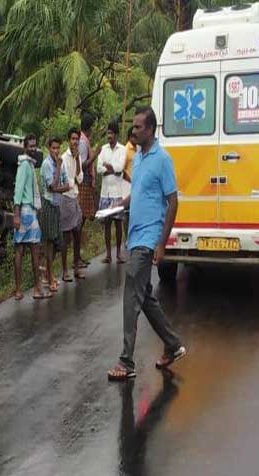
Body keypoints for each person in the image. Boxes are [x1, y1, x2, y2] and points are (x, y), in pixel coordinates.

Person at [108, 107, 187, 381]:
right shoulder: (139, 158)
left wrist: (162, 243)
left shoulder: (162, 159)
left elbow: (173, 201)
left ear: (151, 129)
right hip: (135, 235)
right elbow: (139, 190)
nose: (133, 131)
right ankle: (173, 345)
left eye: (139, 127)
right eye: (133, 126)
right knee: (147, 298)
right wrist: (121, 204)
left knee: (132, 295)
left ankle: (126, 361)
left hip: (148, 238)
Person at [13, 135, 50, 300]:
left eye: (35, 146)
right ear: (25, 147)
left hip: (28, 211)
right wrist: (16, 214)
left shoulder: (28, 164)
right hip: (25, 211)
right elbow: (18, 191)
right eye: (31, 146)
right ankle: (34, 288)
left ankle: (21, 289)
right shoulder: (24, 166)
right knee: (30, 250)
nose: (33, 149)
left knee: (22, 250)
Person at [40, 137, 71, 292]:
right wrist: (58, 169)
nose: (56, 151)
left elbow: (67, 185)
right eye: (53, 148)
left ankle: (47, 273)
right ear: (48, 148)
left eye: (58, 148)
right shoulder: (47, 165)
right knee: (50, 242)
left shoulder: (60, 163)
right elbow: (52, 185)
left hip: (57, 204)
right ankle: (49, 278)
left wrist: (56, 189)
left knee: (58, 242)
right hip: (48, 205)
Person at [96, 121, 128, 264]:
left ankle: (119, 253)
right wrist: (111, 169)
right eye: (107, 133)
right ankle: (108, 254)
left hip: (117, 192)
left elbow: (120, 167)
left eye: (111, 133)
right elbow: (98, 168)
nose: (108, 136)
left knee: (118, 223)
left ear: (116, 134)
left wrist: (110, 168)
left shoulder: (122, 149)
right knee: (107, 224)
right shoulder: (103, 149)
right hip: (105, 192)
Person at [60, 127, 86, 281]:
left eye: (77, 139)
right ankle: (64, 271)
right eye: (73, 139)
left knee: (77, 233)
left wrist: (77, 160)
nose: (75, 142)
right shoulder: (63, 158)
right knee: (66, 236)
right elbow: (66, 181)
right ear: (69, 140)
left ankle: (76, 267)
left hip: (75, 197)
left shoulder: (78, 158)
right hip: (66, 198)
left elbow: (80, 178)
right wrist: (74, 180)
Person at [77, 113, 98, 267]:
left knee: (82, 220)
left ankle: (77, 257)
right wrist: (95, 156)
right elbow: (83, 165)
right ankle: (76, 259)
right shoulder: (83, 142)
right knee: (80, 220)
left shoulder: (84, 140)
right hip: (83, 182)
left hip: (85, 181)